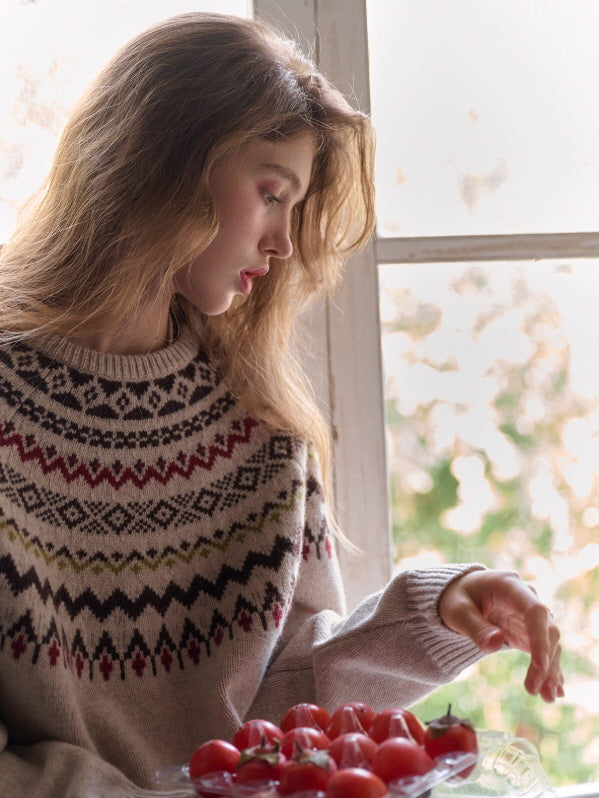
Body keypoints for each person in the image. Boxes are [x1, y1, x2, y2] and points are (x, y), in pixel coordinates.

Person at [0, 11, 563, 797]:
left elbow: (282, 714)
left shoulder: (258, 430)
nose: (284, 244)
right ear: (159, 163)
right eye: (271, 193)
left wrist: (436, 615)